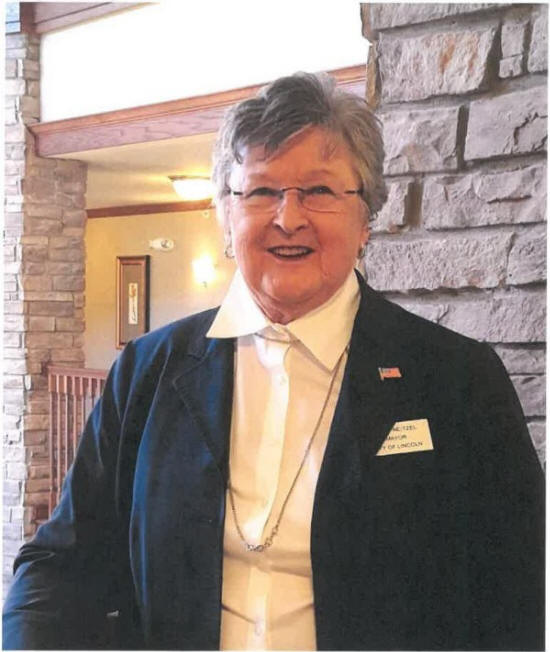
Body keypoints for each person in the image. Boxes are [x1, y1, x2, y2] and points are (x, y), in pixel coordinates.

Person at [3, 72, 544, 651]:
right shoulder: (147, 372)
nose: (289, 217)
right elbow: (62, 564)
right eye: (261, 192)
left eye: (319, 190)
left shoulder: (456, 380)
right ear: (225, 215)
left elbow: (520, 591)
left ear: (366, 219)